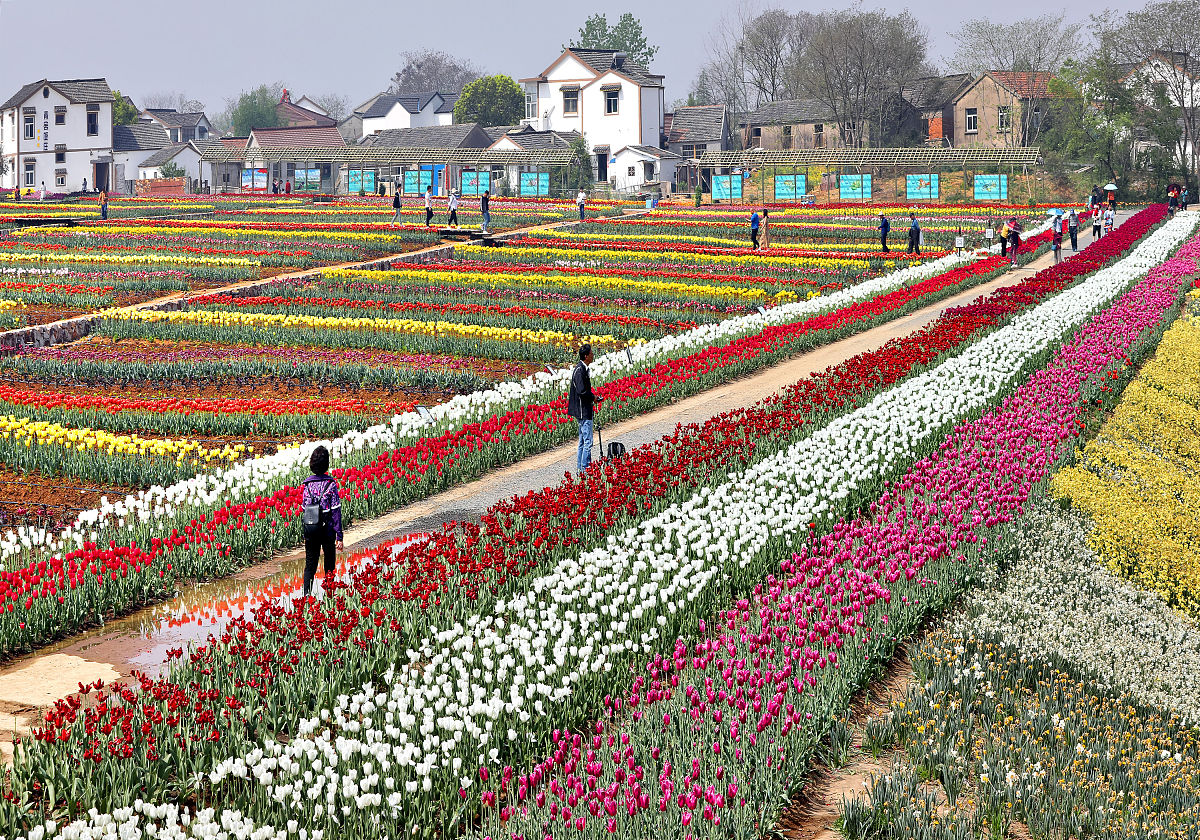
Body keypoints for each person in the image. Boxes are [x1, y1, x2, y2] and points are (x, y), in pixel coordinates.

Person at [301, 445, 343, 597]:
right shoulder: (330, 485)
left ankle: (306, 598)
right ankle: (330, 596)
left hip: (311, 530)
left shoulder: (307, 485)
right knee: (329, 565)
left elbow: (304, 509)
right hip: (327, 530)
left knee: (310, 566)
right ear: (326, 465)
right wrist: (339, 536)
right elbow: (336, 511)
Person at [567, 343, 600, 472]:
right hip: (583, 410)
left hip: (583, 409)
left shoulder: (582, 368)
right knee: (587, 442)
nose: (593, 355)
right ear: (586, 356)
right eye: (591, 353)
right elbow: (581, 391)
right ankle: (585, 469)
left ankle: (581, 469)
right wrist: (593, 397)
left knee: (582, 441)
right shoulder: (580, 371)